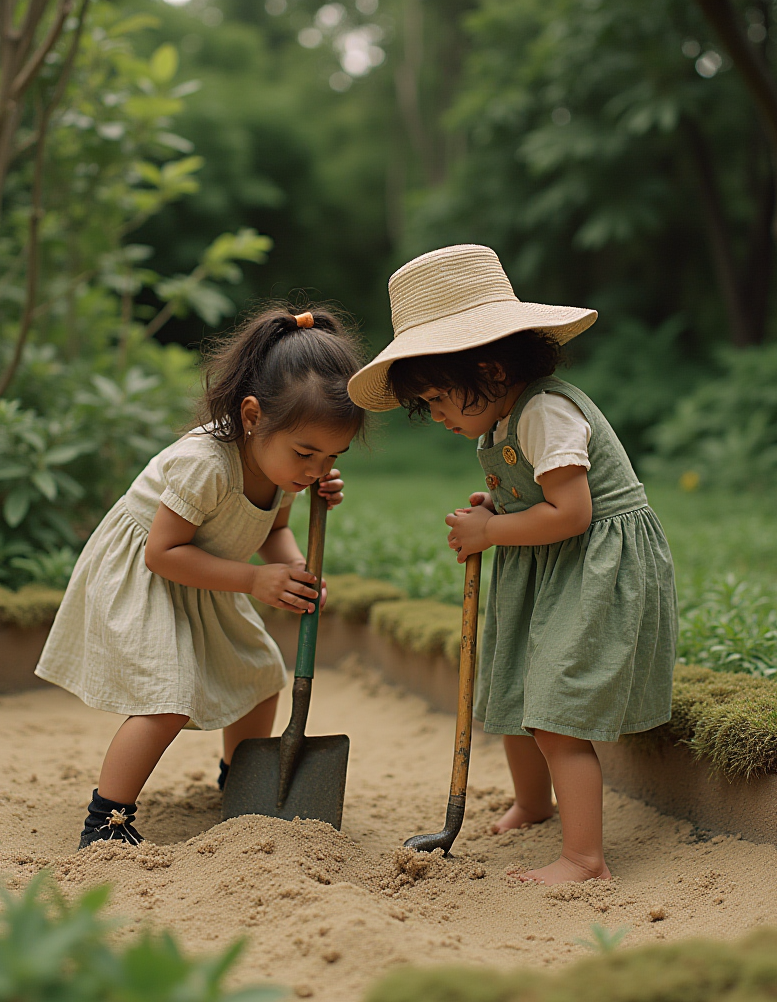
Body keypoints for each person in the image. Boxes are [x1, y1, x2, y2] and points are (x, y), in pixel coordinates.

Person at [347, 245, 676, 884]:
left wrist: (494, 528)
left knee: (555, 712)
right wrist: (498, 503)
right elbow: (536, 495)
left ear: (492, 370)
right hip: (549, 564)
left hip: (592, 566)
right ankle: (532, 803)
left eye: (440, 399)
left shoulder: (549, 412)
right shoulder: (496, 422)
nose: (437, 417)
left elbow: (573, 512)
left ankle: (584, 859)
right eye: (427, 407)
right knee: (517, 690)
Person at [36, 307, 365, 849]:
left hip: (208, 574)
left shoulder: (286, 472)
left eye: (332, 456)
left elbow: (270, 531)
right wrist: (255, 582)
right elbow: (163, 553)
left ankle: (241, 782)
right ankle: (107, 821)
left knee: (259, 675)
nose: (316, 470)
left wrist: (293, 570)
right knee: (167, 698)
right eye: (306, 453)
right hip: (147, 574)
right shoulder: (205, 462)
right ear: (253, 415)